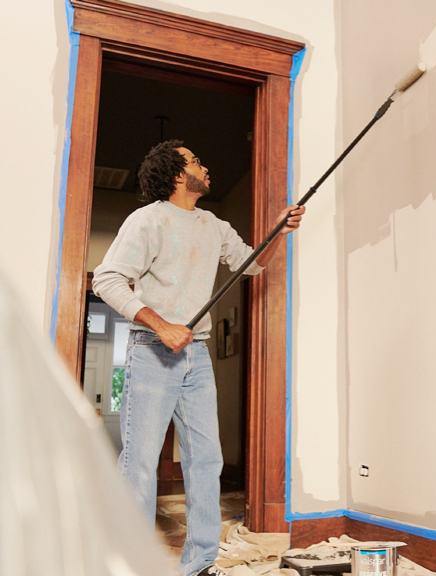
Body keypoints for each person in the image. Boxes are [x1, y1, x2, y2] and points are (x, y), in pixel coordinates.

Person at [92, 139, 304, 576]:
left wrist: (277, 230)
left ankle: (201, 563)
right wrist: (161, 324)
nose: (205, 167)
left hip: (198, 355)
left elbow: (251, 263)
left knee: (207, 459)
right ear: (175, 175)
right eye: (195, 162)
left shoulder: (213, 224)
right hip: (151, 351)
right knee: (140, 462)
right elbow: (109, 280)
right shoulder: (147, 220)